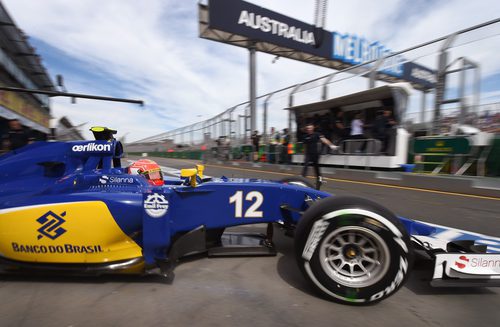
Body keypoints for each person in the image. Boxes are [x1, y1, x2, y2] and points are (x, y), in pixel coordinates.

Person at [301, 124, 338, 189]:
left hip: (315, 154)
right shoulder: (305, 136)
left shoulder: (317, 134)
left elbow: (324, 139)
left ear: (313, 128)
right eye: (308, 128)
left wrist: (331, 145)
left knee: (316, 169)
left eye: (310, 128)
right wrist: (304, 154)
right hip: (308, 154)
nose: (309, 129)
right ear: (307, 129)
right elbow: (304, 146)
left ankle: (319, 180)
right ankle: (302, 181)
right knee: (305, 166)